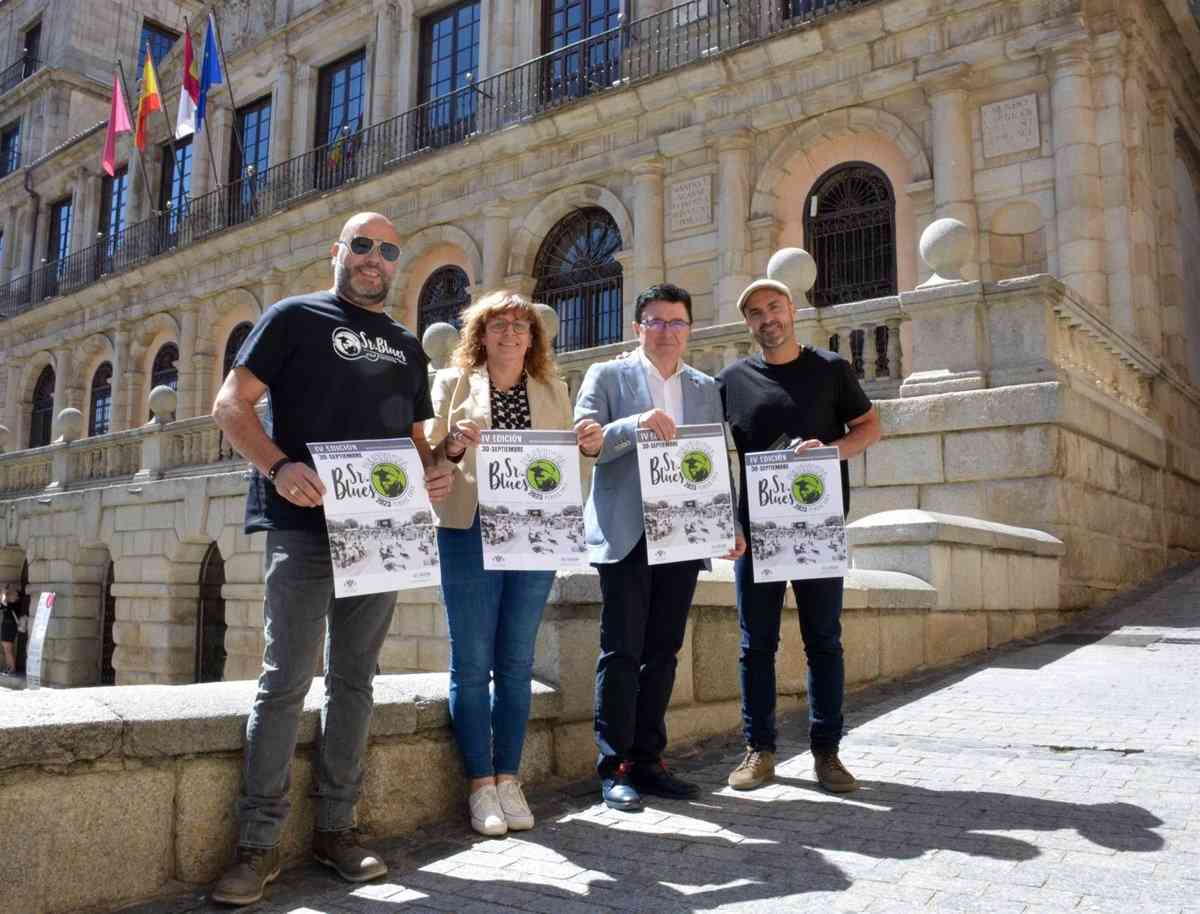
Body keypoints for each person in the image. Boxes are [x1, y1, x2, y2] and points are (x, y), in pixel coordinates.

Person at [210, 212, 455, 906]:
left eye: (388, 249)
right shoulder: (294, 316)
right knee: (285, 678)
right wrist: (278, 466)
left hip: (382, 530)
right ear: (338, 252)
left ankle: (337, 829)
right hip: (302, 523)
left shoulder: (407, 344)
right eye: (364, 245)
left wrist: (435, 469)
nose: (376, 257)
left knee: (356, 680)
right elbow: (231, 406)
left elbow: (413, 436)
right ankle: (256, 845)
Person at [574, 283, 745, 811]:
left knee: (664, 652)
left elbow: (714, 458)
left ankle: (649, 761)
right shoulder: (608, 374)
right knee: (621, 650)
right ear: (637, 328)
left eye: (676, 322)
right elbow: (585, 441)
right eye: (655, 322)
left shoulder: (704, 387)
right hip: (626, 532)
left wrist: (729, 523)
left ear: (689, 329)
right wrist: (634, 425)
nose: (667, 331)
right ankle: (614, 767)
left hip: (683, 533)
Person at [427, 290, 592, 836]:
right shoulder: (452, 385)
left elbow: (564, 463)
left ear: (533, 338)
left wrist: (585, 446)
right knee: (472, 663)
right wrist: (451, 445)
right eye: (497, 324)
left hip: (533, 532)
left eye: (520, 326)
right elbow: (428, 458)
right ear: (480, 333)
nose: (510, 333)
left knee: (518, 661)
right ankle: (480, 786)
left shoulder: (552, 388)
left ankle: (509, 778)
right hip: (467, 529)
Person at [717, 277, 882, 794]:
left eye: (774, 307)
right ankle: (759, 751)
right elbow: (708, 453)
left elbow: (870, 426)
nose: (768, 319)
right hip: (757, 536)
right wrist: (726, 524)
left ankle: (827, 753)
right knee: (755, 646)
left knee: (824, 642)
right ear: (748, 323)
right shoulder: (731, 380)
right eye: (756, 313)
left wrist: (831, 452)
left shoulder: (831, 368)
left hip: (818, 529)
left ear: (792, 309)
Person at [1, 584, 17, 675]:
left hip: (9, 627)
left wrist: (4, 590)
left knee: (8, 649)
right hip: (6, 626)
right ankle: (9, 667)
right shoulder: (8, 605)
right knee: (6, 649)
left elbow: (3, 600)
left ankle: (12, 668)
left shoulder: (13, 604)